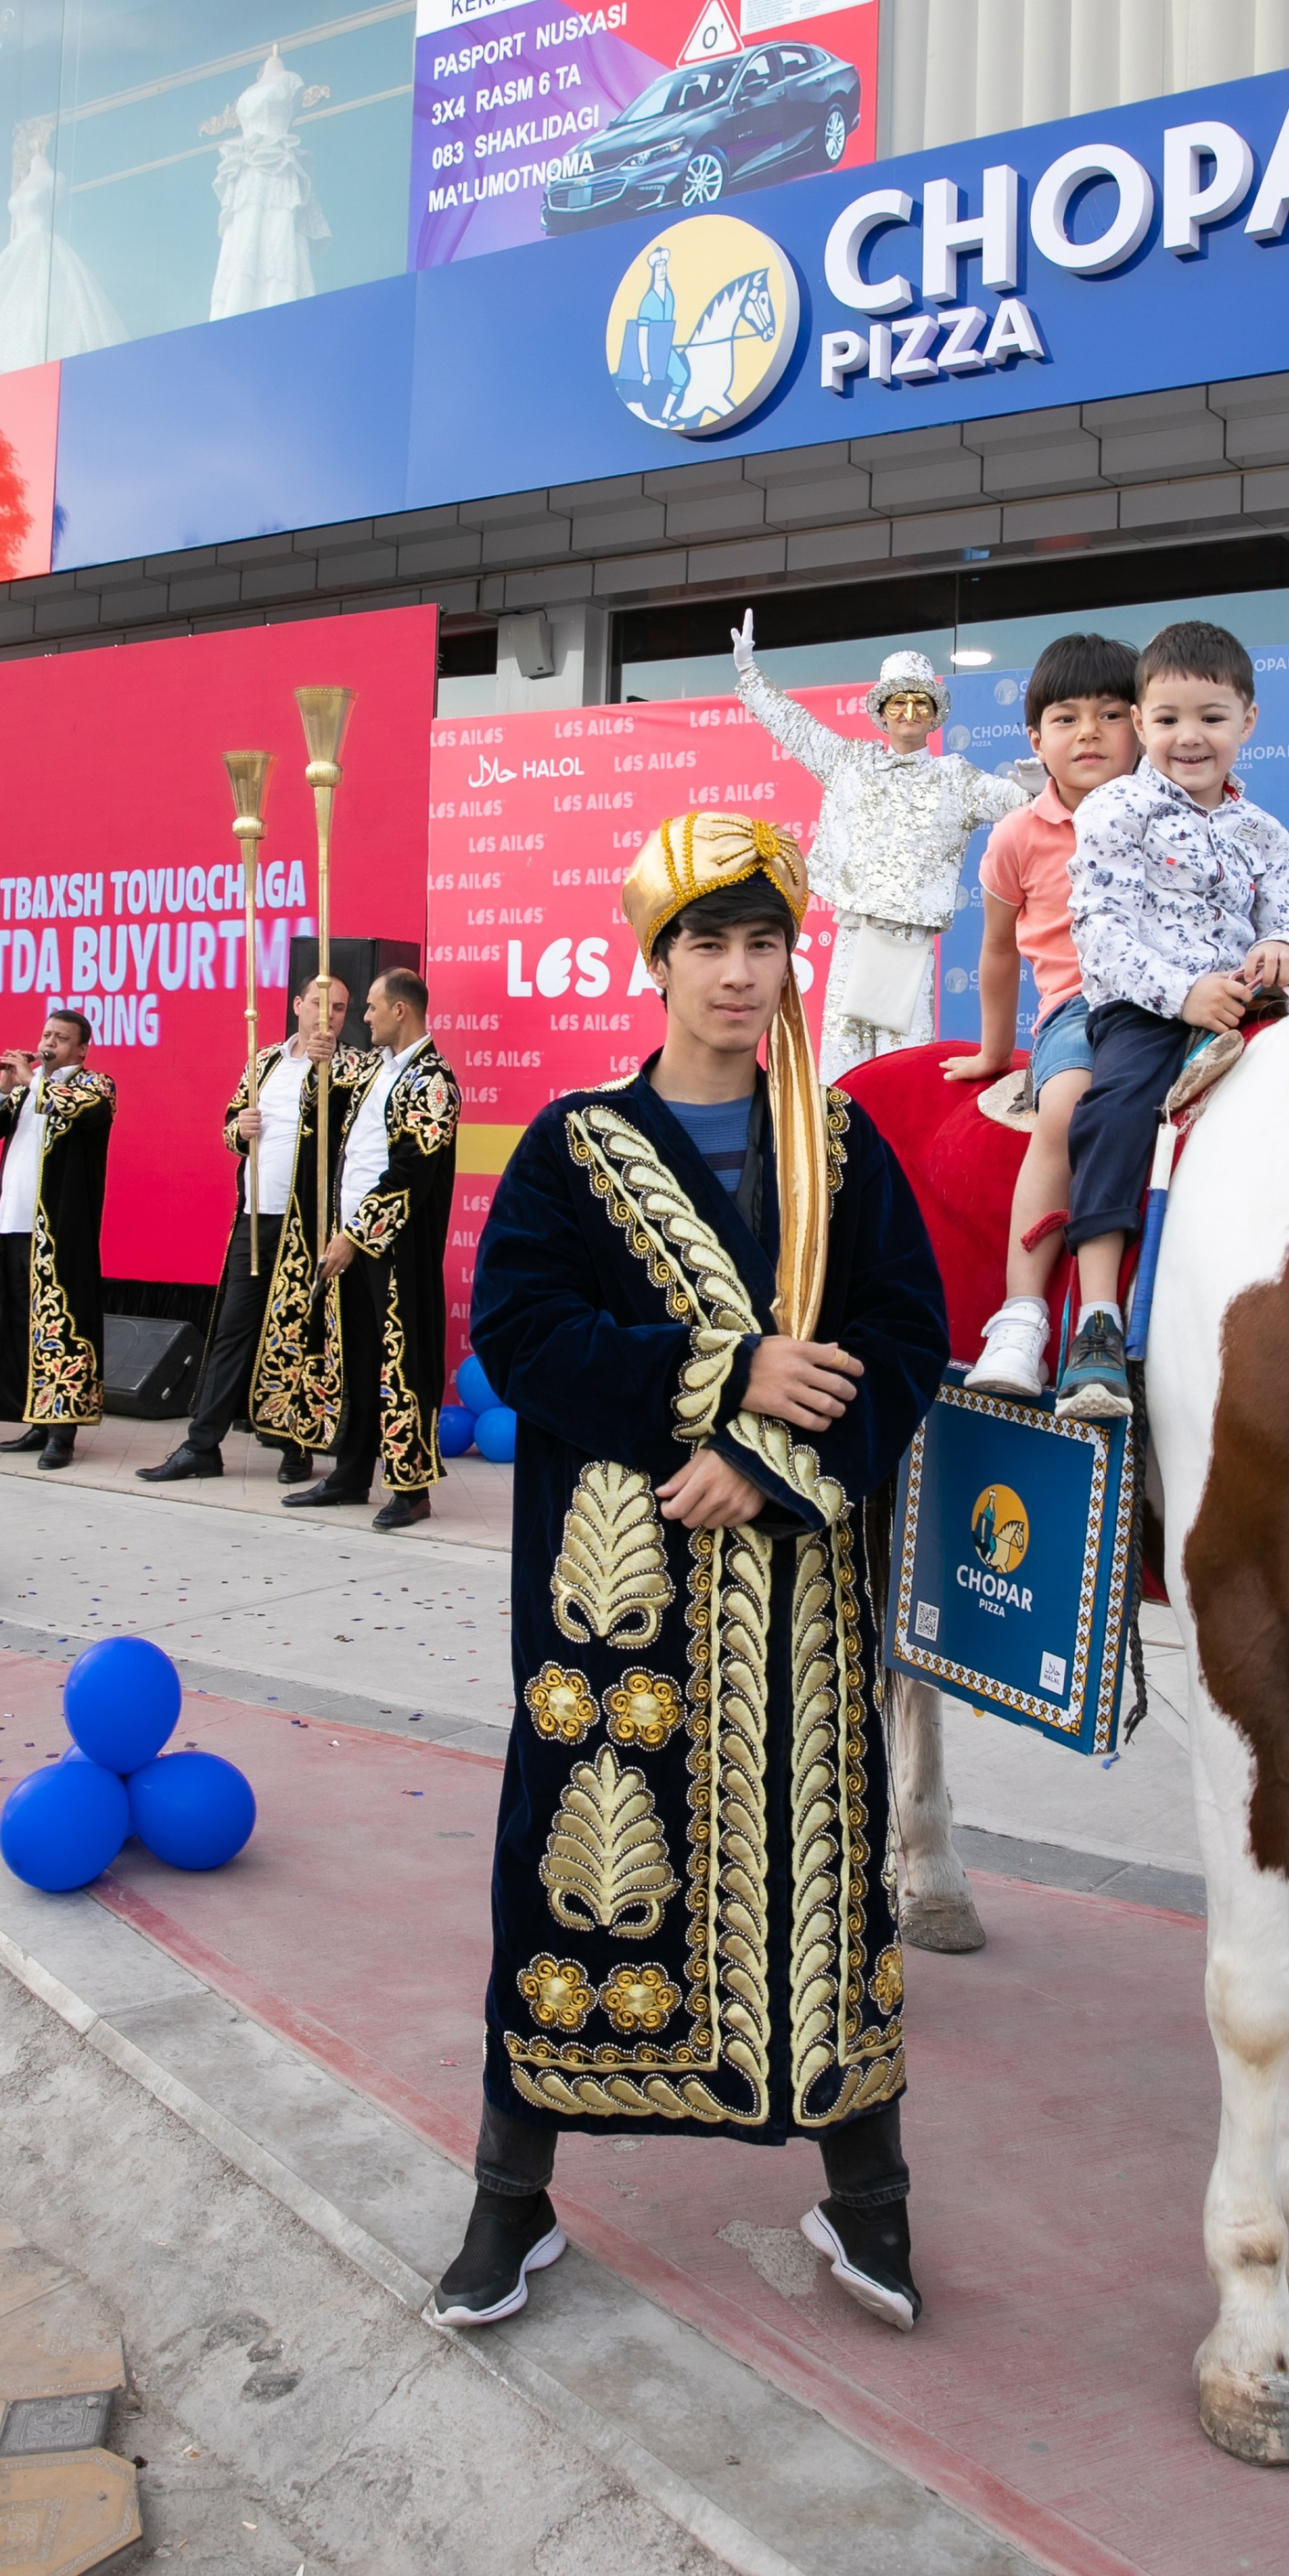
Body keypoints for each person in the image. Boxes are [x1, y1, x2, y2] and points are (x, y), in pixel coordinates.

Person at [429, 814, 950, 2335]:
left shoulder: (842, 1153)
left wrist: (774, 1460)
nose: (739, 972)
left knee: (833, 1886)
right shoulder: (575, 1149)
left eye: (763, 942)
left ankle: (871, 2204)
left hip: (800, 1611)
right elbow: (519, 1338)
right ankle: (510, 2203)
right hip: (619, 1614)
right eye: (707, 944)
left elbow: (906, 1346)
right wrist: (722, 1375)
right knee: (578, 1880)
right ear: (651, 960)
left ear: (798, 958)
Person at [1052, 622, 1289, 1423]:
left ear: (1248, 721)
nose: (1188, 736)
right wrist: (1183, 994)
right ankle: (1096, 1319)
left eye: (1211, 716)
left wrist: (1282, 948)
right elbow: (1098, 931)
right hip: (1147, 1011)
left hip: (1254, 1006)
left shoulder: (1264, 831)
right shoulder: (1114, 811)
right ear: (1140, 724)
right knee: (1115, 1106)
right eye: (1167, 719)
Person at [941, 634, 1143, 1397]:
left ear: (1144, 726)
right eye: (1065, 718)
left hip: (1175, 1001)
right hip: (1081, 1008)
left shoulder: (1178, 814)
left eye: (1111, 714)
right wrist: (997, 1053)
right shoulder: (1017, 836)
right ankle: (1023, 1314)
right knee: (1063, 1113)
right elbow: (996, 953)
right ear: (1035, 739)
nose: (1088, 732)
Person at [733, 610, 1026, 1079]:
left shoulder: (956, 778)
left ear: (934, 714)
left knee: (905, 1065)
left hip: (912, 938)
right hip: (855, 931)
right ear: (882, 710)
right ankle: (836, 1148)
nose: (909, 714)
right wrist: (749, 674)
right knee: (841, 1066)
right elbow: (794, 726)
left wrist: (1045, 785)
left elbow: (1016, 802)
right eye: (898, 703)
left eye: (920, 703)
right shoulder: (848, 760)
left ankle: (897, 1152)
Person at [139, 973, 363, 1487]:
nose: (328, 1015)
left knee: (299, 1333)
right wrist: (238, 1131)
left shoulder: (350, 1065)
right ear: (297, 1005)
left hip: (309, 1220)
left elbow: (349, 1127)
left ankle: (295, 1445)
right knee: (232, 1330)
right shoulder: (262, 1061)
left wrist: (327, 1067)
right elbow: (229, 1126)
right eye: (320, 1004)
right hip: (255, 1214)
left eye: (340, 1008)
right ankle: (202, 1444)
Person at [287, 968, 458, 1530]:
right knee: (358, 1361)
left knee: (401, 1366)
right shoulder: (378, 1072)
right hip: (358, 1241)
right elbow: (326, 1099)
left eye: (371, 1008)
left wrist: (355, 1233)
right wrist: (318, 1052)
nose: (364, 1017)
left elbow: (411, 1173)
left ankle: (412, 1488)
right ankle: (349, 1473)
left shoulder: (433, 1080)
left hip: (395, 1247)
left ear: (401, 1011)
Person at [0, 1010, 114, 1473]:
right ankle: (33, 1418)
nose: (48, 1042)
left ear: (81, 1049)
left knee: (61, 1325)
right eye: (46, 1034)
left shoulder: (96, 1085)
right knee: (18, 1321)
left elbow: (77, 1110)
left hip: (59, 1227)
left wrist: (31, 1081)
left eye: (61, 1038)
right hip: (12, 1220)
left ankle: (62, 1431)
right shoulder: (26, 1088)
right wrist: (6, 1086)